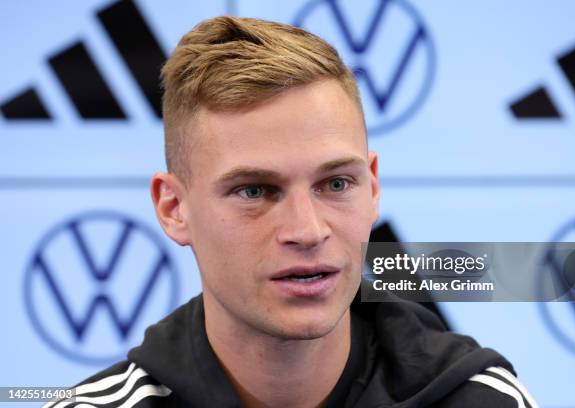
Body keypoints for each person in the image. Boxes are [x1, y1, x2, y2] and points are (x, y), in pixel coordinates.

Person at [45, 16, 537, 408]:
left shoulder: (482, 400)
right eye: (254, 191)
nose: (307, 230)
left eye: (336, 183)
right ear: (174, 209)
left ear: (373, 187)